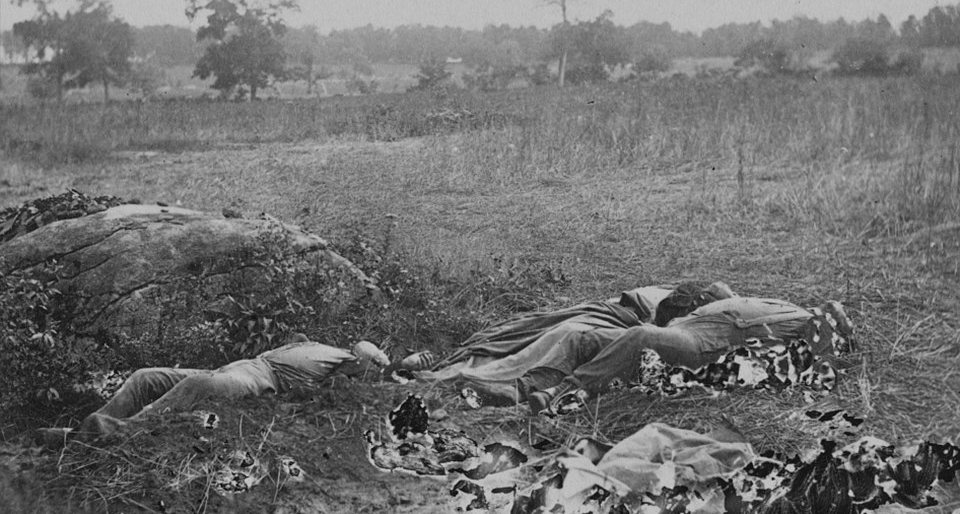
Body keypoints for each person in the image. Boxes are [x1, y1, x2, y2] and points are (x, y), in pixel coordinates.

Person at [36, 336, 433, 447]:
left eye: (373, 358)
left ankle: (104, 435)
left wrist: (401, 366)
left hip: (255, 383)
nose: (366, 355)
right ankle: (81, 433)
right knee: (145, 377)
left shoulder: (348, 374)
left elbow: (364, 389)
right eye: (366, 352)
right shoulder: (327, 348)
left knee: (193, 386)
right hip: (237, 368)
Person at [418, 281, 735, 405]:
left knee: (567, 336)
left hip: (649, 339)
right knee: (566, 334)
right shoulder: (659, 300)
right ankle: (511, 385)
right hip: (626, 323)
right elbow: (643, 315)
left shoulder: (722, 318)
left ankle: (543, 390)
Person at [525, 296, 854, 414]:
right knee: (583, 338)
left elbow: (805, 363)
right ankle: (525, 388)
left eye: (828, 323)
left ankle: (566, 391)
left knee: (641, 336)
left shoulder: (801, 331)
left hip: (701, 346)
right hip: (690, 326)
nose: (820, 319)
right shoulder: (790, 310)